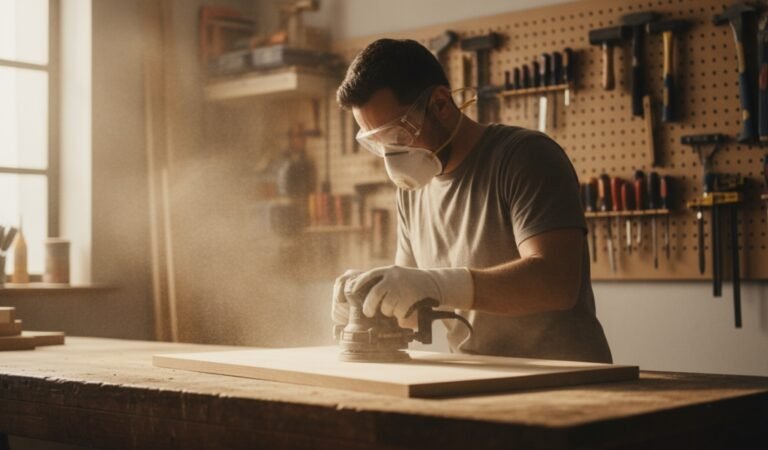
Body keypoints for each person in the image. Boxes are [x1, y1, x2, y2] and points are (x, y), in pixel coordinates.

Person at [330, 38, 612, 363]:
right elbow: (409, 311)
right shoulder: (411, 191)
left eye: (397, 135)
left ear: (440, 104)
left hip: (567, 379)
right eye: (376, 143)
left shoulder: (525, 156)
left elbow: (556, 283)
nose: (391, 155)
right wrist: (366, 296)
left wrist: (438, 284)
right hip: (480, 377)